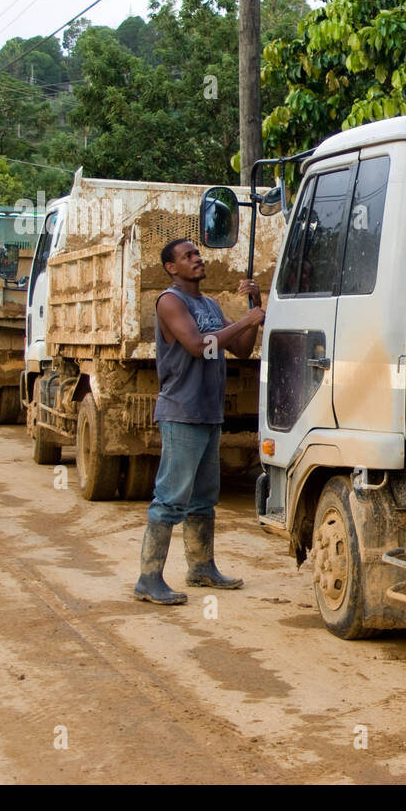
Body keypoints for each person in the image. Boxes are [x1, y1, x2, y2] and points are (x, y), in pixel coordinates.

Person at [134, 237, 265, 605]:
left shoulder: (209, 303)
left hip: (208, 412)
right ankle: (148, 579)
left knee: (204, 498)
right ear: (171, 268)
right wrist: (246, 319)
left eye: (197, 253)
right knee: (171, 498)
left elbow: (240, 348)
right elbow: (199, 346)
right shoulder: (170, 301)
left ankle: (201, 567)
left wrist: (255, 306)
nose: (196, 258)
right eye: (187, 256)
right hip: (182, 411)